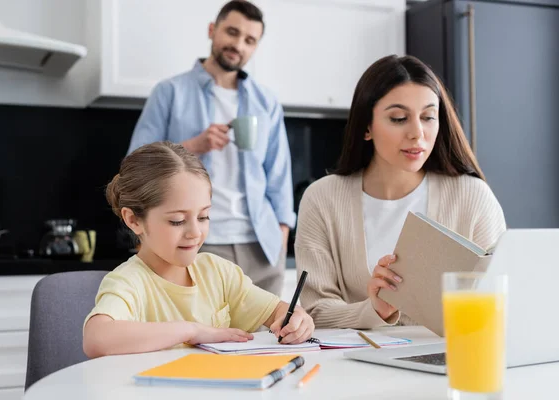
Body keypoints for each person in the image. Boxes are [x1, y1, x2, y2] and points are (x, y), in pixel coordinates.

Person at [294, 55, 506, 329]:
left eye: (428, 117)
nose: (417, 133)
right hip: (356, 365)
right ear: (367, 127)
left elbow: (500, 299)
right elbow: (316, 311)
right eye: (398, 118)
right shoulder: (322, 198)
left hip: (450, 359)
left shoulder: (473, 196)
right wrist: (375, 310)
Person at [126, 0, 294, 296]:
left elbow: (278, 173)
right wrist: (194, 146)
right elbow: (135, 165)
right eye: (232, 32)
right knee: (202, 336)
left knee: (268, 340)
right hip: (199, 241)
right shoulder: (170, 92)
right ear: (212, 30)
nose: (238, 44)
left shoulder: (266, 101)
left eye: (249, 40)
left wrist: (282, 231)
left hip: (262, 246)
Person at [83, 142, 313, 358]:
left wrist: (297, 320)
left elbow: (277, 311)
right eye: (177, 221)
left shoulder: (218, 272)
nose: (195, 232)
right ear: (133, 220)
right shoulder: (128, 282)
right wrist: (190, 331)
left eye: (203, 216)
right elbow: (96, 339)